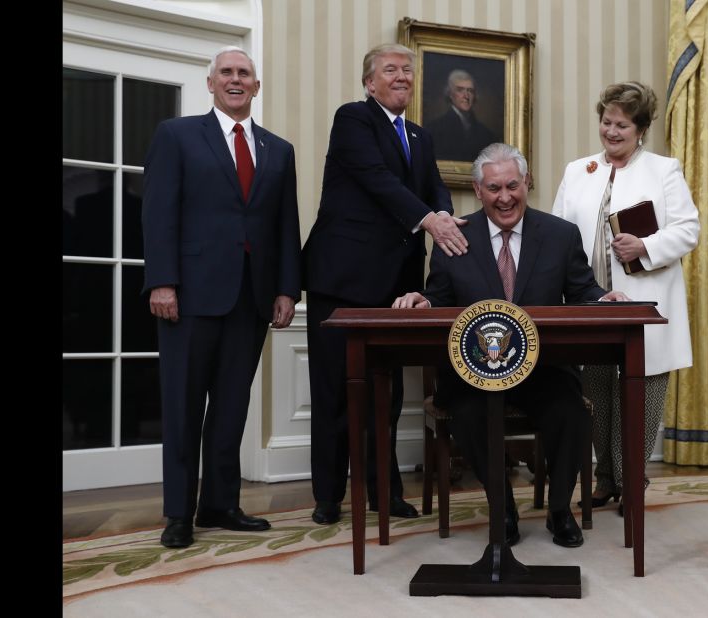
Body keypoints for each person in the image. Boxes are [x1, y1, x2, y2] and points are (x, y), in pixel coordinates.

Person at [394, 143, 630, 547]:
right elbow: (441, 297)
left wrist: (603, 299)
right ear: (478, 190)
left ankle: (559, 510)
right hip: (474, 374)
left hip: (543, 369)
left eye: (512, 186)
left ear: (527, 183)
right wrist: (423, 301)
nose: (504, 197)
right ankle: (502, 508)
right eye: (493, 188)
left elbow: (583, 290)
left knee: (570, 411)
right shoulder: (455, 237)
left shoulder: (559, 235)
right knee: (467, 413)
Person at [302, 43, 469, 525]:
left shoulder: (420, 135)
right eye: (390, 70)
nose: (402, 77)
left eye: (408, 71)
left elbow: (435, 186)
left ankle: (384, 492)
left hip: (396, 284)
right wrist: (428, 222)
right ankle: (329, 496)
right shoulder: (353, 118)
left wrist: (444, 215)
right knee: (335, 391)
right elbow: (376, 179)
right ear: (369, 82)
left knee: (387, 394)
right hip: (342, 279)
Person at [142, 46, 302, 548]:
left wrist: (285, 290)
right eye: (227, 73)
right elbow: (159, 213)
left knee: (232, 408)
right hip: (189, 296)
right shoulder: (177, 135)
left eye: (245, 74)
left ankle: (220, 504)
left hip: (251, 298)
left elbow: (284, 225)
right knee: (184, 407)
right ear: (210, 83)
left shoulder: (279, 150)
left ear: (256, 87)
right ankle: (178, 514)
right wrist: (162, 281)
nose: (236, 80)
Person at [551, 81, 700, 515]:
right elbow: (559, 234)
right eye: (606, 122)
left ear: (640, 129)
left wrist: (646, 246)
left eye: (622, 125)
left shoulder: (664, 170)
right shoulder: (578, 170)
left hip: (645, 305)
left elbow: (688, 229)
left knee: (641, 396)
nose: (611, 132)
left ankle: (633, 482)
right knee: (596, 395)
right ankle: (605, 479)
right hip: (593, 304)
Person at [425, 69, 497, 162]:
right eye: (460, 90)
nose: (466, 96)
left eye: (470, 91)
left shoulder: (486, 134)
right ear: (450, 94)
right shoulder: (434, 129)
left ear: (474, 95)